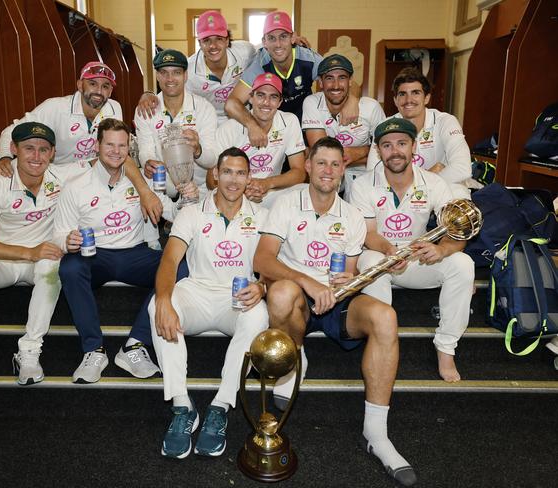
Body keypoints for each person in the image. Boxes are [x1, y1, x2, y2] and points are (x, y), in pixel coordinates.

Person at [254, 136, 417, 486]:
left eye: (335, 164)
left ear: (344, 170)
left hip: (337, 300)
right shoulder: (285, 204)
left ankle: (376, 433)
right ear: (308, 166)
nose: (328, 170)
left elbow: (352, 272)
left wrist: (351, 280)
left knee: (385, 317)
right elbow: (262, 259)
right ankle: (295, 356)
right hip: (298, 296)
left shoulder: (354, 216)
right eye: (321, 162)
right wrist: (308, 283)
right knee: (281, 294)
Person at [54, 118, 196, 383]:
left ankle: (135, 344)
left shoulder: (141, 181)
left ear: (128, 148)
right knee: (69, 267)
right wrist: (68, 241)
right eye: (110, 144)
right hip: (96, 255)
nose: (116, 151)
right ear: (97, 146)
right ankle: (93, 349)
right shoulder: (76, 185)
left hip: (134, 253)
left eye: (122, 146)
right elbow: (59, 233)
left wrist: (187, 199)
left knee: (182, 265)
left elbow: (171, 212)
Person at [151, 147, 269, 459]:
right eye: (227, 171)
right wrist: (163, 298)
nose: (233, 180)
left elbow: (272, 264)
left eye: (240, 173)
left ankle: (220, 406)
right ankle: (181, 406)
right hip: (198, 293)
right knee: (156, 306)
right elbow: (171, 259)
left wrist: (263, 286)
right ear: (215, 174)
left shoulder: (261, 215)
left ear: (248, 178)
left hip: (237, 298)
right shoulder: (191, 212)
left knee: (259, 315)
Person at [0, 122, 80, 393]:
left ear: (53, 153)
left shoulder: (61, 176)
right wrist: (26, 252)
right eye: (29, 148)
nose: (36, 156)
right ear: (13, 150)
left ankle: (29, 351)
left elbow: (110, 158)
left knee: (53, 264)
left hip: (39, 263)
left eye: (44, 150)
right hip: (2, 262)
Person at [349, 118, 474, 382]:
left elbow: (458, 232)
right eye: (387, 145)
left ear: (414, 147)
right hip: (382, 259)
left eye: (402, 143)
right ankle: (383, 341)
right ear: (378, 150)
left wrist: (442, 250)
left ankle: (446, 348)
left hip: (418, 261)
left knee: (463, 263)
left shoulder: (434, 182)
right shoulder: (362, 185)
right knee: (370, 258)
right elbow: (367, 234)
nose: (395, 151)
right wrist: (389, 250)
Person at [0, 61, 164, 227]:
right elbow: (10, 131)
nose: (99, 91)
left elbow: (118, 152)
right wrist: (6, 158)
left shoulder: (114, 108)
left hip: (93, 173)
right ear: (80, 85)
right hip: (58, 175)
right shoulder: (55, 107)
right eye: (92, 83)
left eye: (105, 86)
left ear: (111, 91)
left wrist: (145, 193)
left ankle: (148, 242)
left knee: (136, 180)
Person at [225, 11, 359, 148]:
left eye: (283, 36)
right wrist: (251, 125)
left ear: (293, 37)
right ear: (264, 42)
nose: (278, 44)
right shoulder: (260, 65)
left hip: (304, 122)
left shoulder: (309, 59)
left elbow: (345, 80)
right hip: (273, 126)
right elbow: (231, 104)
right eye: (271, 38)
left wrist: (352, 99)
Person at [366, 67, 471, 199]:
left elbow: (463, 169)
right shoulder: (384, 127)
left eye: (415, 93)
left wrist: (418, 184)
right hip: (401, 194)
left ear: (426, 98)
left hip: (440, 190)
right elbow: (372, 174)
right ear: (395, 100)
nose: (408, 100)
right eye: (402, 94)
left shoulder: (445, 122)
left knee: (458, 192)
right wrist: (428, 177)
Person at [137, 11, 256, 125]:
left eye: (219, 39)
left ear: (227, 40)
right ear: (199, 43)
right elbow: (171, 89)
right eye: (206, 40)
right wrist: (148, 94)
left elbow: (265, 61)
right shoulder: (190, 70)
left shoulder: (246, 52)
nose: (213, 46)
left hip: (241, 115)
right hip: (208, 120)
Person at [207, 72, 306, 208]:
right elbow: (211, 179)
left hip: (269, 192)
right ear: (251, 98)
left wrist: (266, 183)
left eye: (273, 97)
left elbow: (299, 172)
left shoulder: (290, 121)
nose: (266, 102)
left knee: (304, 191)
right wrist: (240, 189)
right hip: (234, 194)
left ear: (280, 102)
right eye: (260, 95)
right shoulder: (229, 128)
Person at [137, 49, 217, 199]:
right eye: (164, 72)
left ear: (185, 75)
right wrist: (147, 161)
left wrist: (198, 149)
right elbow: (145, 148)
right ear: (157, 76)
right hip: (162, 190)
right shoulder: (146, 109)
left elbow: (212, 159)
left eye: (176, 72)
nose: (170, 79)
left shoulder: (204, 108)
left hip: (199, 190)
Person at [302, 54, 385, 195]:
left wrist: (357, 154)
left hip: (364, 177)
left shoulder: (371, 107)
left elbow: (384, 151)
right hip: (327, 177)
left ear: (350, 81)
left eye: (342, 78)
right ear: (320, 83)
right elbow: (322, 154)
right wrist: (365, 150)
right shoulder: (311, 102)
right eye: (329, 78)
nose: (336, 85)